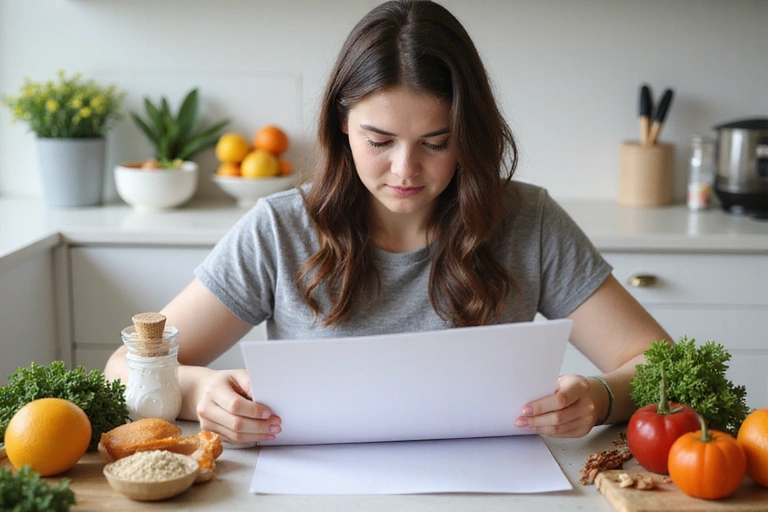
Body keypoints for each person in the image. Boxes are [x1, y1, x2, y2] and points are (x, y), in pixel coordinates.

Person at [105, 0, 670, 445]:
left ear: (469, 137)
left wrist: (601, 396)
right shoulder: (279, 229)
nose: (406, 170)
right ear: (342, 126)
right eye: (379, 141)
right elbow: (116, 371)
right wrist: (198, 389)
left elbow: (663, 363)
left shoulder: (530, 222)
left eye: (436, 142)